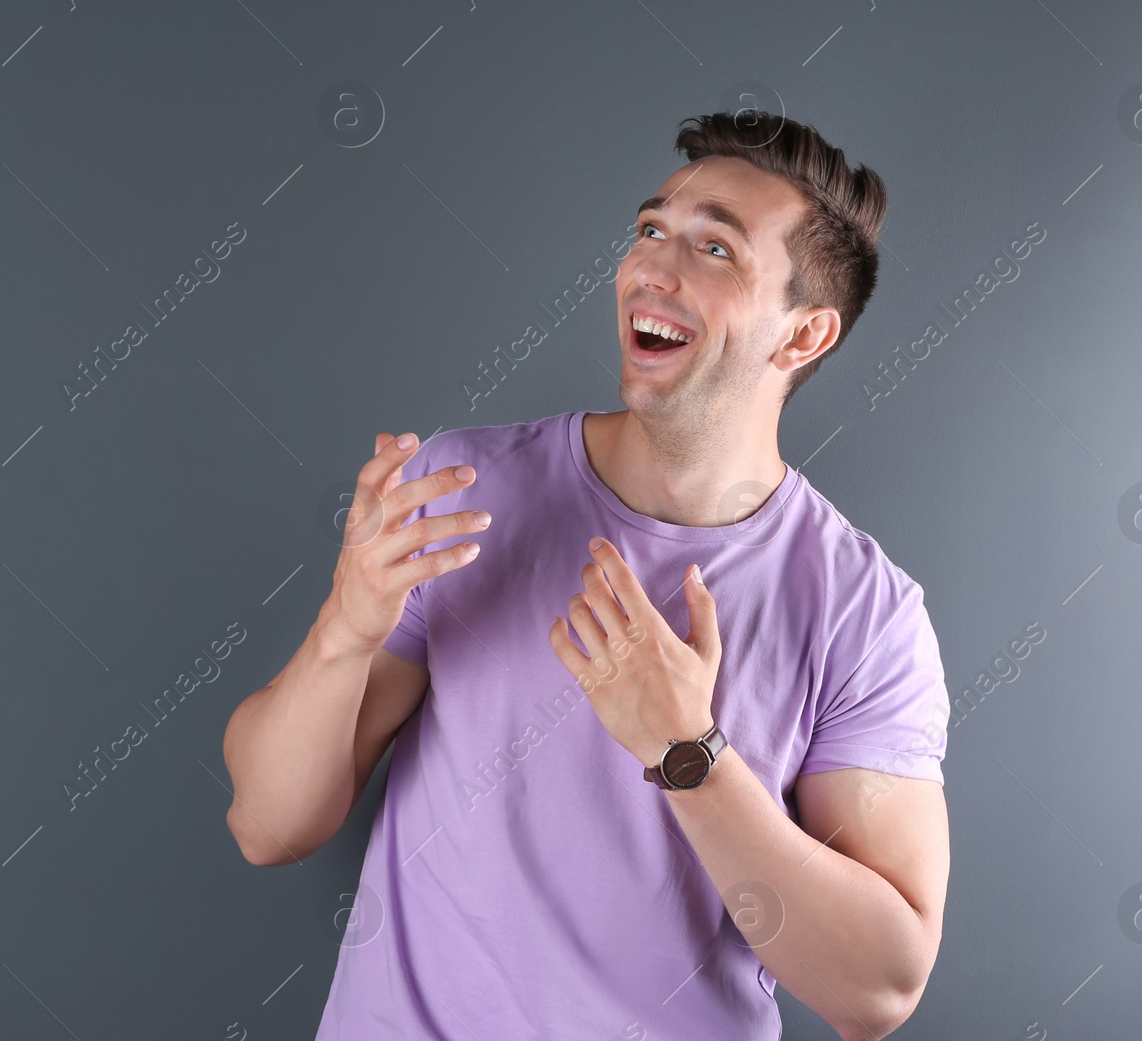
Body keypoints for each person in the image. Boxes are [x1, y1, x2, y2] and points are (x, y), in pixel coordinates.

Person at [222, 110, 951, 1041]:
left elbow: (878, 990)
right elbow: (268, 826)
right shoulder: (463, 489)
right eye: (651, 232)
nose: (653, 267)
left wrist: (689, 754)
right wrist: (344, 628)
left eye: (715, 250)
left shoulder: (864, 614)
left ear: (802, 337)